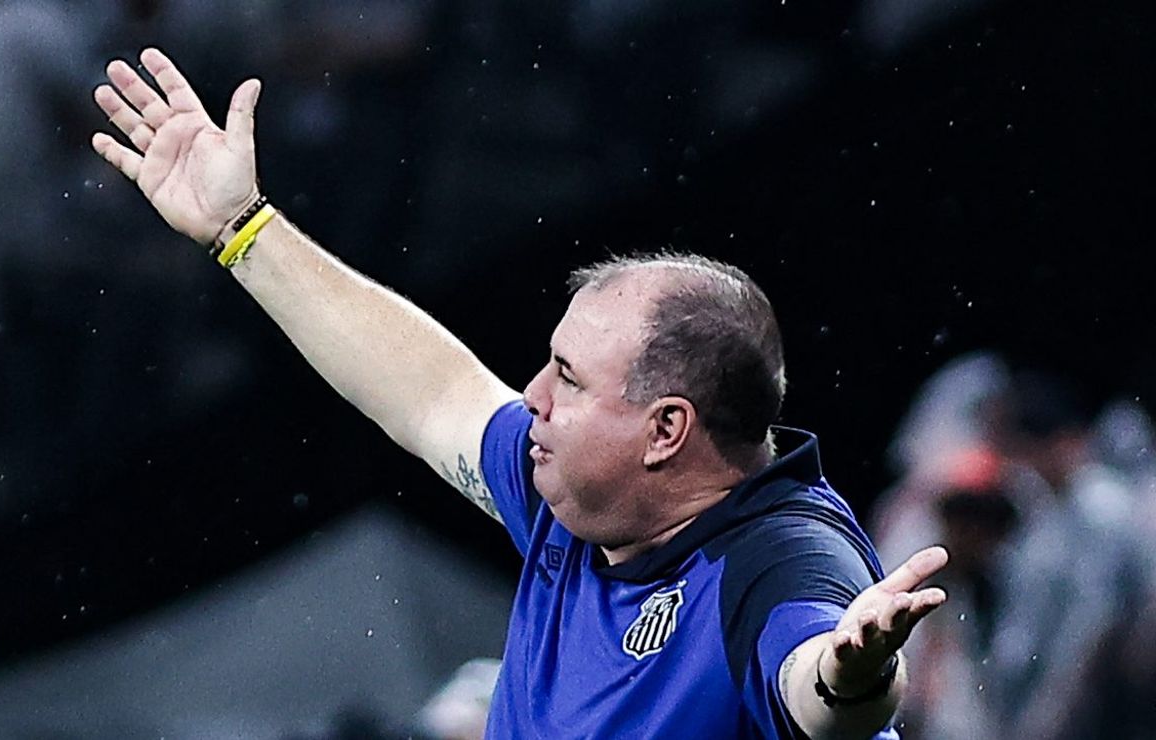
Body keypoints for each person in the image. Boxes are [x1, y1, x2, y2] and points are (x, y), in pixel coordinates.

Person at [90, 47, 948, 739]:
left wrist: (852, 677)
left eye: (569, 377)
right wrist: (243, 227)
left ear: (665, 431)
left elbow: (819, 689)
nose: (532, 395)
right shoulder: (571, 498)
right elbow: (431, 394)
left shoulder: (782, 561)